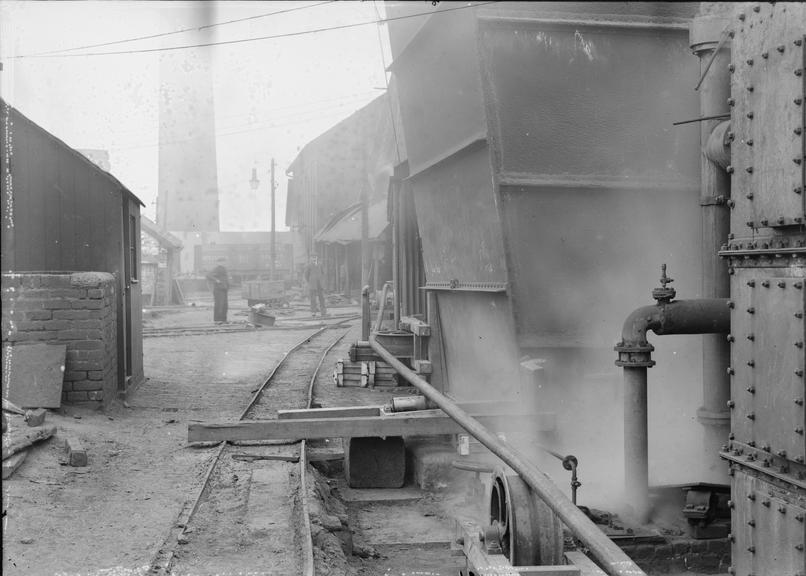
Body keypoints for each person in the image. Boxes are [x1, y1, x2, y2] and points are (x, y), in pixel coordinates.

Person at [206, 258, 229, 324]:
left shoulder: (224, 269)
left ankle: (223, 319)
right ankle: (217, 320)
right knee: (219, 305)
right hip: (218, 289)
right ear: (218, 262)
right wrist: (216, 280)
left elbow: (226, 278)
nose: (222, 263)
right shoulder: (216, 269)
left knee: (225, 305)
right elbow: (208, 275)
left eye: (223, 262)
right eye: (221, 262)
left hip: (224, 289)